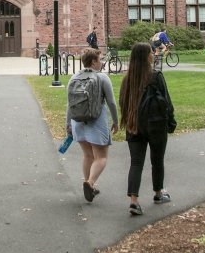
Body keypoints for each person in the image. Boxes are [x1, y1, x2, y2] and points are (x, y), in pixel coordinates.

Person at [119, 43, 175, 216]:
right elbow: (166, 101)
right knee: (157, 160)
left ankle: (134, 201)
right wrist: (171, 121)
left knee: (136, 163)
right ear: (146, 57)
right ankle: (158, 193)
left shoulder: (127, 79)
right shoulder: (155, 76)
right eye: (151, 52)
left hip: (134, 125)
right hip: (155, 124)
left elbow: (123, 103)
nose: (153, 55)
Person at [65, 48, 119, 203]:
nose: (101, 62)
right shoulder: (102, 78)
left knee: (88, 155)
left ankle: (89, 185)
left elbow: (69, 103)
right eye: (99, 59)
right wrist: (115, 121)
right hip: (96, 121)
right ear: (94, 61)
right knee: (101, 157)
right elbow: (111, 102)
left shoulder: (74, 77)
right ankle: (90, 183)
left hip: (78, 122)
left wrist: (68, 123)